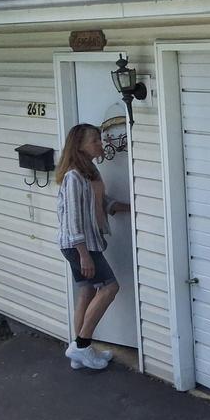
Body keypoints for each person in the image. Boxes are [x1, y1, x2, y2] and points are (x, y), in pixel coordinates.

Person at [56, 123, 130, 370]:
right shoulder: (73, 176)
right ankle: (82, 346)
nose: (100, 144)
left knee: (87, 292)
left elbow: (99, 203)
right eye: (95, 141)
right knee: (110, 288)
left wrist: (129, 207)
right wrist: (84, 255)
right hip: (80, 246)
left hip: (85, 244)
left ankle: (79, 351)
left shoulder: (89, 171)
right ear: (79, 146)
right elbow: (74, 218)